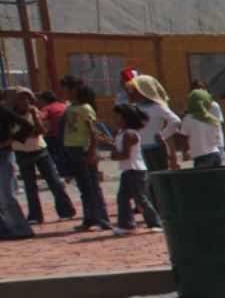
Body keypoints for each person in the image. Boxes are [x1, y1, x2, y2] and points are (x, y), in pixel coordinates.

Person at [9, 88, 75, 224]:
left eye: (27, 99)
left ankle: (66, 210)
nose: (25, 102)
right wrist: (25, 134)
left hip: (40, 150)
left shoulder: (34, 113)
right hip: (22, 153)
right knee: (30, 185)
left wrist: (34, 115)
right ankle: (35, 215)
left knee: (54, 181)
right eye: (21, 99)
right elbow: (14, 135)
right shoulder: (10, 116)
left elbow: (41, 131)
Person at [61, 81, 110, 231]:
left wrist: (92, 152)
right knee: (83, 187)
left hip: (84, 149)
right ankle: (88, 219)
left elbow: (93, 132)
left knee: (92, 186)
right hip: (72, 149)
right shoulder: (70, 108)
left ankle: (101, 219)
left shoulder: (85, 108)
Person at [110, 103, 163, 233]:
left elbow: (125, 155)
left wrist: (115, 155)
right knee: (122, 197)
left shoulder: (129, 134)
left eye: (117, 115)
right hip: (128, 170)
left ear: (125, 118)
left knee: (140, 199)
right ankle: (126, 224)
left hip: (136, 170)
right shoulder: (121, 133)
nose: (114, 117)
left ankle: (156, 223)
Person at [124, 75, 183, 173]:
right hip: (139, 149)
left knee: (159, 178)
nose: (131, 93)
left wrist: (163, 134)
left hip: (156, 149)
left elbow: (176, 121)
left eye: (135, 90)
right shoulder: (134, 107)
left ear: (144, 90)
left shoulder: (158, 107)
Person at [0, 96, 35, 238]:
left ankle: (21, 229)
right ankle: (5, 230)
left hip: (2, 155)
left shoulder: (3, 111)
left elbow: (28, 127)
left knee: (6, 195)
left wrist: (7, 142)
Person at [179, 87, 225, 168]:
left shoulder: (188, 119)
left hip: (200, 157)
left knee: (203, 180)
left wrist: (186, 151)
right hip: (215, 154)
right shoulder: (214, 120)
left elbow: (184, 136)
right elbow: (217, 139)